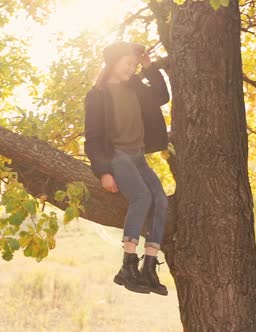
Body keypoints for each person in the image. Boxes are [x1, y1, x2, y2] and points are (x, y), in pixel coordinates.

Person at [83, 41, 170, 295]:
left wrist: (149, 66)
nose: (132, 68)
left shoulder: (135, 87)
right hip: (117, 156)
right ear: (113, 62)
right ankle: (127, 267)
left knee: (161, 201)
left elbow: (162, 97)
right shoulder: (97, 95)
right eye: (128, 63)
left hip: (138, 156)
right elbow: (93, 138)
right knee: (142, 197)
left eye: (134, 64)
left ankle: (149, 266)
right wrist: (103, 172)